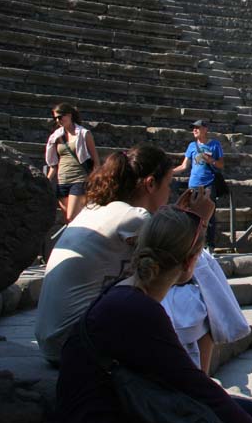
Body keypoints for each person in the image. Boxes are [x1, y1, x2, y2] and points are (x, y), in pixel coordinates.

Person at [48, 201, 252, 423]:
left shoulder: (128, 293)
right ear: (190, 262)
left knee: (249, 415)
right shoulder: (136, 309)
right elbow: (195, 386)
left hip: (129, 422)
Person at [35, 144, 175, 363]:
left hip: (53, 341)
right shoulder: (134, 217)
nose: (170, 194)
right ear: (150, 184)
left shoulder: (95, 209)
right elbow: (178, 272)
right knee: (187, 295)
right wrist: (199, 220)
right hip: (75, 343)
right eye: (168, 184)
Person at [173, 120, 225, 247]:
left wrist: (211, 160)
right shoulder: (191, 146)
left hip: (208, 184)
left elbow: (221, 165)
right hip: (193, 184)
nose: (194, 130)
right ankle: (192, 244)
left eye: (197, 127)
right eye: (193, 128)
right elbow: (184, 166)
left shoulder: (215, 144)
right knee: (191, 214)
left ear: (205, 129)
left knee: (209, 215)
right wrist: (169, 172)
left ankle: (209, 245)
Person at [45, 103, 99, 223]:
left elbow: (95, 159)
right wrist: (47, 180)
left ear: (69, 115)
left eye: (60, 117)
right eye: (55, 118)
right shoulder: (55, 136)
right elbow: (53, 164)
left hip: (79, 179)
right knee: (70, 221)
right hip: (62, 180)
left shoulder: (84, 134)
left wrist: (95, 179)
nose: (58, 120)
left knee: (72, 217)